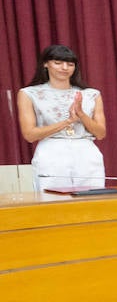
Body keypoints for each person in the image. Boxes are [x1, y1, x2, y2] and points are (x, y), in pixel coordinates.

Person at [17, 44, 107, 192]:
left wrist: (81, 114)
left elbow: (100, 133)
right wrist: (68, 122)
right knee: (51, 199)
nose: (64, 68)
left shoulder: (91, 94)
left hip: (86, 151)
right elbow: (30, 135)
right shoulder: (29, 93)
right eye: (58, 63)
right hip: (51, 151)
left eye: (70, 64)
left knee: (92, 199)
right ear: (45, 64)